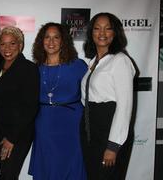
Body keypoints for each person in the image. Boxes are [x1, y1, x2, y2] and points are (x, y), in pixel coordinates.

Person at [28, 22, 87, 180]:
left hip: (72, 126)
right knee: (48, 167)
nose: (51, 42)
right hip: (45, 125)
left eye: (56, 37)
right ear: (41, 41)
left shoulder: (78, 66)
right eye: (47, 37)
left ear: (63, 41)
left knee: (72, 166)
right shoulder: (35, 69)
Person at [80, 12, 136, 180]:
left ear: (115, 33)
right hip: (91, 130)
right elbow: (86, 99)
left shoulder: (120, 60)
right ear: (91, 33)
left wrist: (113, 146)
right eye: (97, 28)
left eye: (107, 28)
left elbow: (124, 106)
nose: (102, 33)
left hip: (109, 130)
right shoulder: (94, 61)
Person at [0, 26, 40, 180]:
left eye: (12, 43)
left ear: (20, 45)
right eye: (3, 44)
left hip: (18, 134)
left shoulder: (28, 69)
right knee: (5, 174)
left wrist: (12, 138)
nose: (7, 48)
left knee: (8, 175)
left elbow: (30, 107)